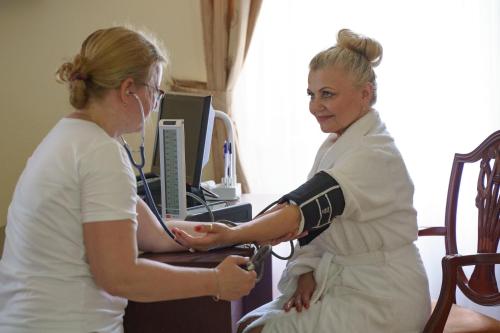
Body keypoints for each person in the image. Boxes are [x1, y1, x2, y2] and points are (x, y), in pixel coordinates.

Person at [173, 29, 431, 333]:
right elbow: (314, 219)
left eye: (327, 94)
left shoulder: (375, 154)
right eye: (311, 94)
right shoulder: (336, 144)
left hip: (382, 296)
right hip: (343, 279)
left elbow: (301, 211)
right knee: (247, 325)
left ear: (365, 93)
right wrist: (307, 268)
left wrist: (230, 235)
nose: (314, 106)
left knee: (256, 331)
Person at [0, 26, 256, 333]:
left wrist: (235, 233)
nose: (154, 104)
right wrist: (215, 281)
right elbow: (120, 276)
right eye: (155, 91)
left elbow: (153, 233)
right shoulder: (99, 153)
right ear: (128, 90)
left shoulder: (69, 138)